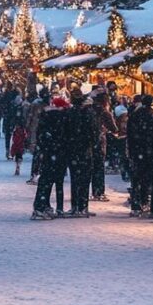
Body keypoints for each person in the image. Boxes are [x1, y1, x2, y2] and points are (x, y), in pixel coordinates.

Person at [32, 98, 70, 218]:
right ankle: (46, 207)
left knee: (46, 180)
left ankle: (42, 205)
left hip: (49, 153)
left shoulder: (47, 117)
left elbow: (41, 135)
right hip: (58, 153)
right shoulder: (60, 118)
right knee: (53, 181)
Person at [65, 87, 95, 216]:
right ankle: (83, 206)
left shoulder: (70, 113)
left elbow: (64, 132)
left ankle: (75, 205)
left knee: (75, 178)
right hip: (85, 149)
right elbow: (93, 132)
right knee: (84, 179)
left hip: (72, 149)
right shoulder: (88, 114)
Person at [127, 94, 153, 215]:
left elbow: (130, 132)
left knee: (136, 178)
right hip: (148, 151)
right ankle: (144, 202)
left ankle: (135, 204)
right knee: (146, 179)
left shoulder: (135, 115)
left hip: (137, 151)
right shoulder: (152, 116)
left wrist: (131, 148)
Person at [90, 91, 118, 202]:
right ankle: (99, 192)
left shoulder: (90, 110)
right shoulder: (104, 112)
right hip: (100, 141)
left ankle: (93, 191)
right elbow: (114, 128)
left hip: (89, 142)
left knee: (92, 168)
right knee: (99, 167)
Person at [25, 87, 49, 184]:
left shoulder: (36, 104)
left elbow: (30, 117)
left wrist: (27, 127)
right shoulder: (46, 104)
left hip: (37, 131)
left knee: (37, 154)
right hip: (44, 132)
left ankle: (35, 174)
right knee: (42, 154)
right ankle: (39, 173)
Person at [2, 82, 20, 159]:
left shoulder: (5, 94)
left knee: (8, 135)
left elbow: (2, 104)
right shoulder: (16, 94)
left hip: (8, 117)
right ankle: (13, 151)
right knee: (15, 135)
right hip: (14, 117)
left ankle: (8, 150)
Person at [10, 105, 27, 175]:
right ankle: (18, 164)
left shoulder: (14, 111)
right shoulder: (23, 113)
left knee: (17, 153)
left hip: (17, 143)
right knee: (19, 154)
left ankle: (17, 165)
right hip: (20, 143)